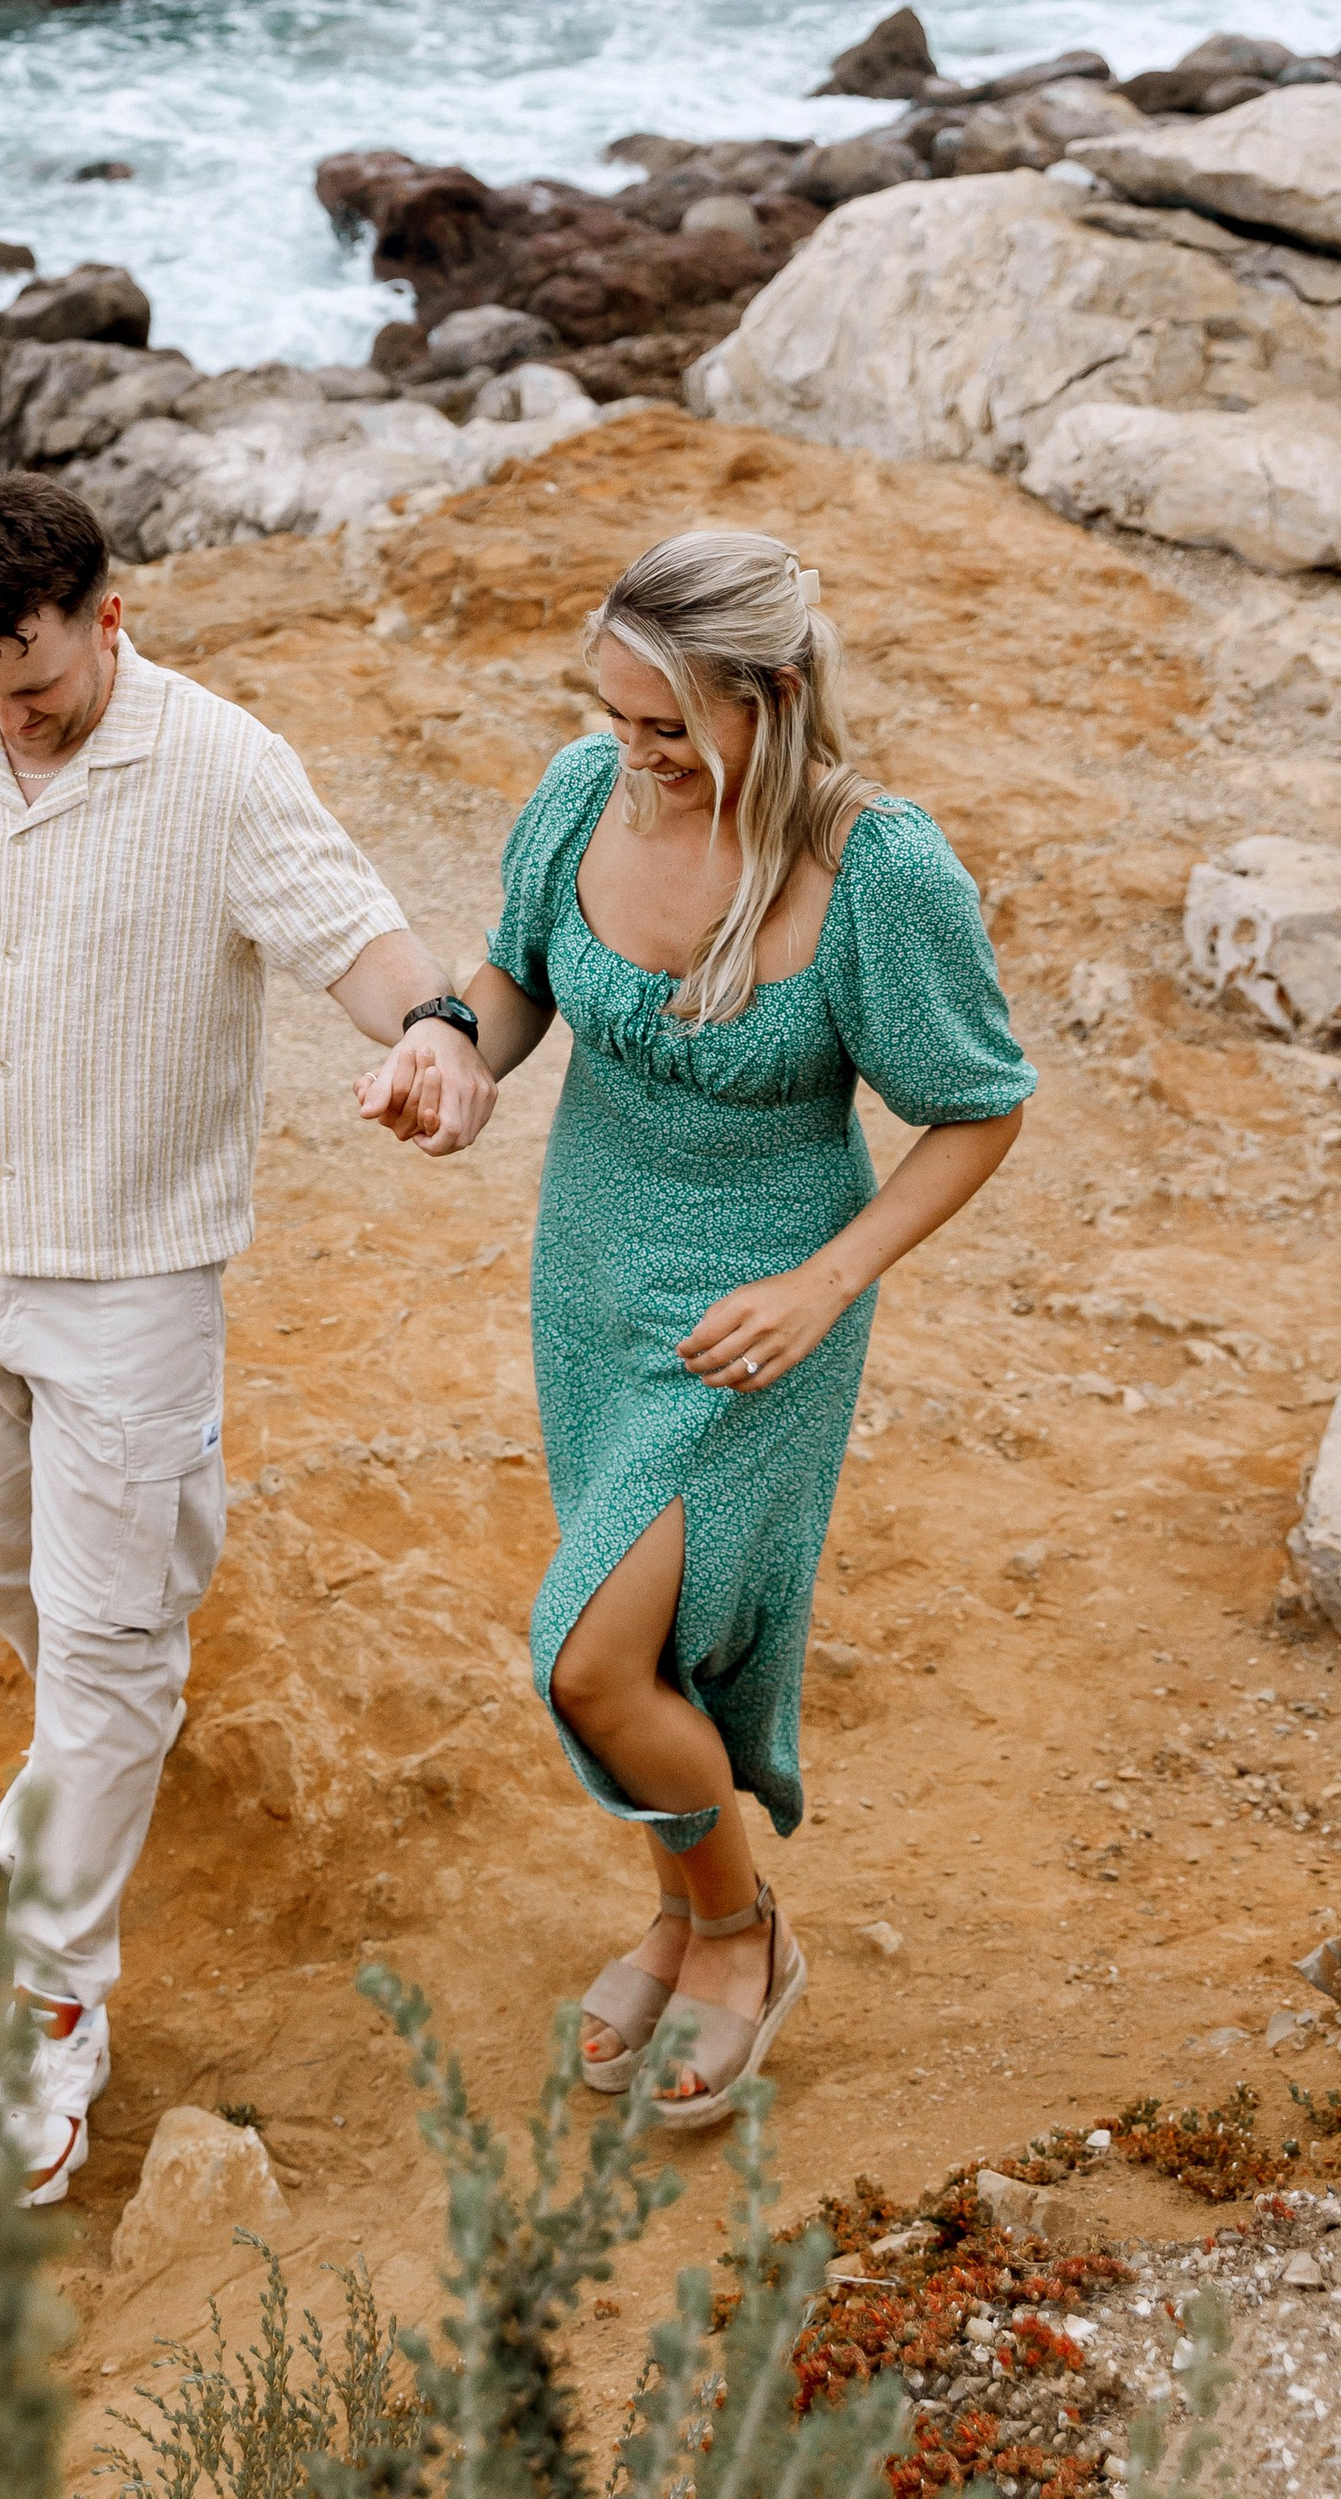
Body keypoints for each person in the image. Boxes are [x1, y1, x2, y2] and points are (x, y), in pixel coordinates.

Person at [0, 468, 493, 2204]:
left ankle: (53, 2011)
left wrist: (438, 1036)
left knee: (97, 1661)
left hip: (137, 1286)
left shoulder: (221, 765)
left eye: (37, 683)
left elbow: (362, 939)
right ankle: (126, 1655)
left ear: (108, 618)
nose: (7, 715)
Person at [356, 529, 1031, 2126]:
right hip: (590, 1273)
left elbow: (979, 1111)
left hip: (759, 1312)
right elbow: (513, 975)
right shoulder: (581, 796)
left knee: (590, 1661)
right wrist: (453, 1049)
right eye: (615, 717)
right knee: (647, 1650)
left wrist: (825, 1281)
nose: (634, 757)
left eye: (670, 728)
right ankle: (675, 1912)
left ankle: (738, 1932)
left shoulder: (880, 870)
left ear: (773, 699)